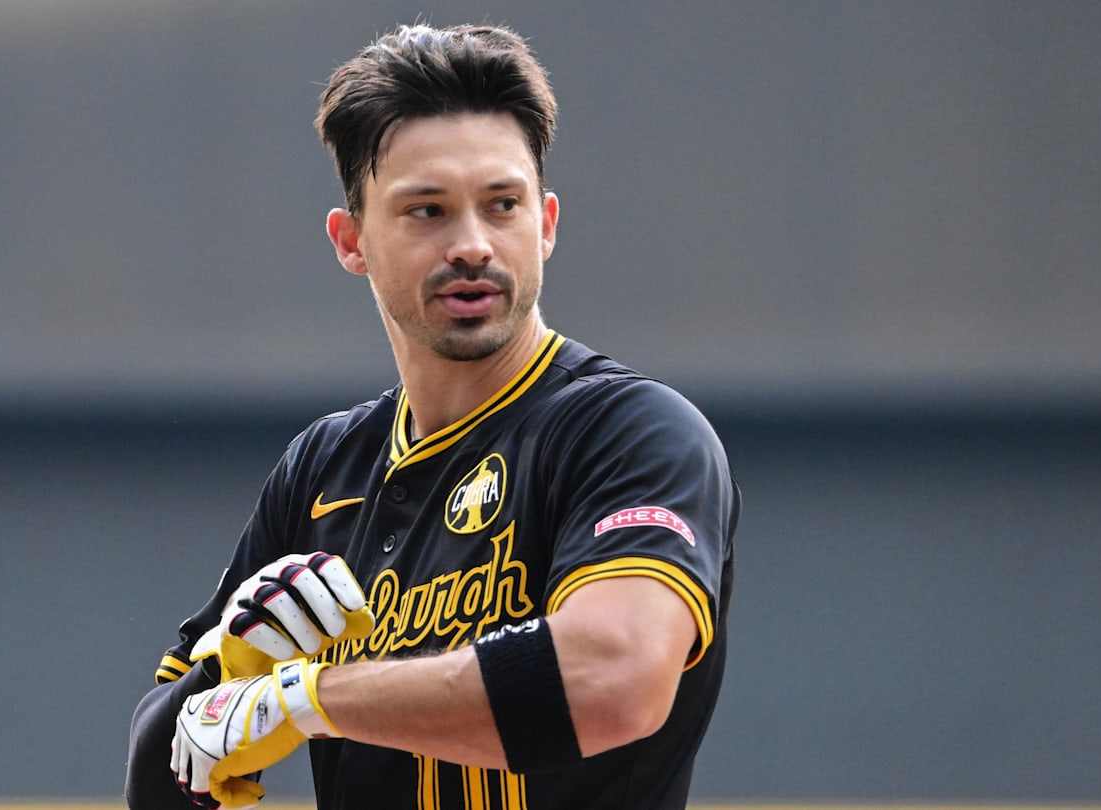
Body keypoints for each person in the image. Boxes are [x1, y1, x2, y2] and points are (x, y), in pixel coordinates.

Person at [125, 22, 739, 810]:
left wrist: (306, 698)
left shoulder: (631, 430)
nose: (474, 244)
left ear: (546, 224)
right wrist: (227, 673)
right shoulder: (323, 470)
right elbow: (159, 783)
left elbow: (612, 679)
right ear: (352, 241)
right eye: (427, 212)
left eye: (502, 204)